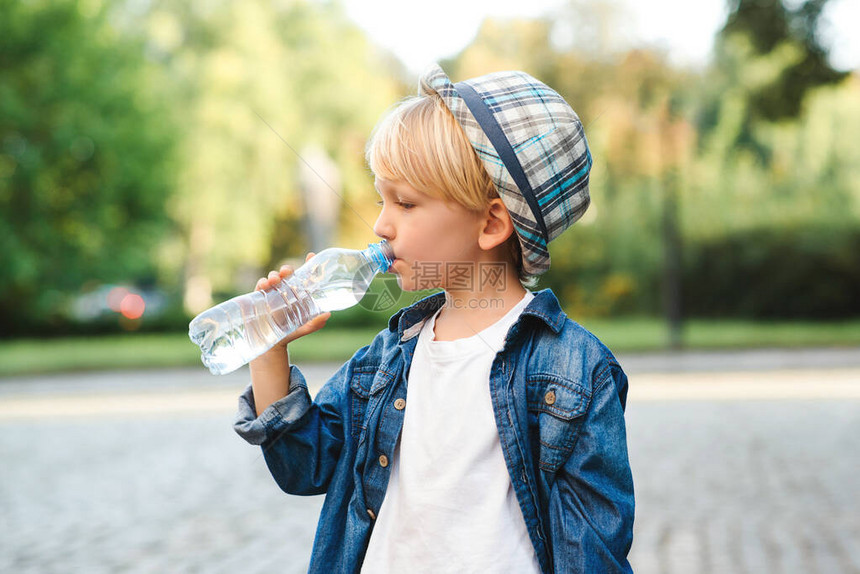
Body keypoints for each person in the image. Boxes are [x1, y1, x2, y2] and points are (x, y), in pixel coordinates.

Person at [233, 64, 634, 573]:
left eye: (405, 202)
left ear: (490, 223)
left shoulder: (574, 370)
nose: (380, 224)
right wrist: (270, 350)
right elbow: (304, 466)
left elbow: (591, 551)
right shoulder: (391, 356)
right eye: (383, 199)